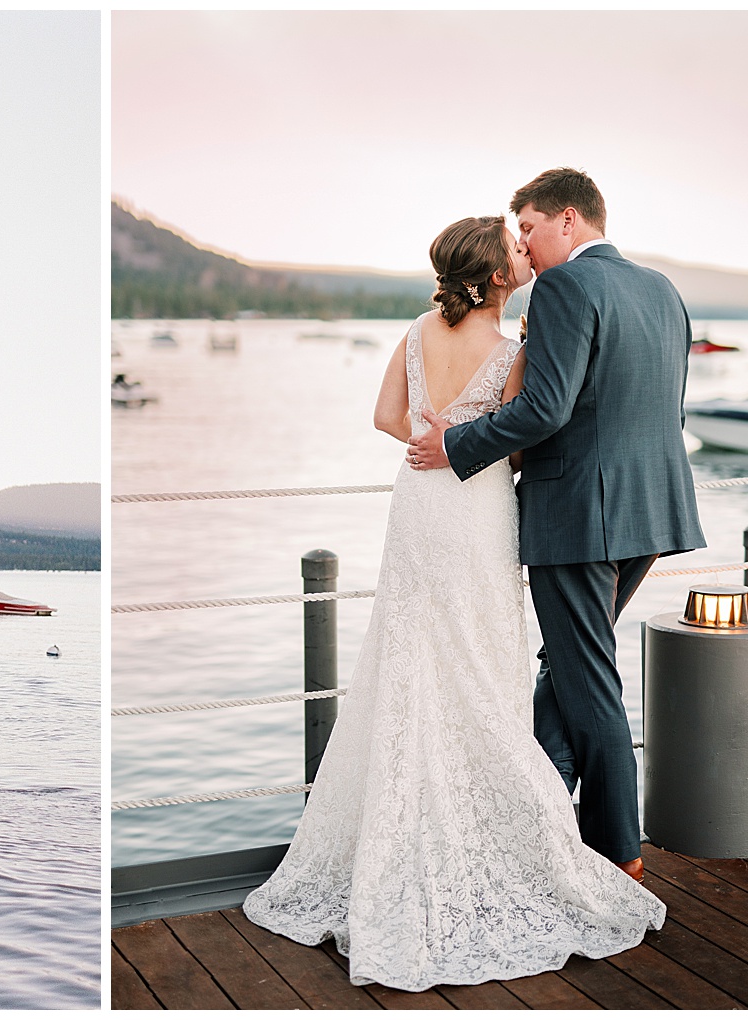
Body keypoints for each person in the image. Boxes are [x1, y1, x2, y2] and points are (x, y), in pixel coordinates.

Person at [241, 210, 666, 992]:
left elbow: (386, 420)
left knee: (410, 662)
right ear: (501, 276)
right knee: (480, 661)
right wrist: (474, 435)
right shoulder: (512, 351)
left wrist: (434, 434)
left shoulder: (413, 331)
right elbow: (527, 433)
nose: (523, 252)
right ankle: (502, 832)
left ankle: (396, 837)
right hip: (476, 509)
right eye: (514, 249)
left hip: (419, 501)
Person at [408, 168, 705, 881]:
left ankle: (616, 851)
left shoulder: (566, 288)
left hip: (580, 516)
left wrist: (455, 445)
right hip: (652, 513)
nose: (526, 249)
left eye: (531, 229)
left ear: (567, 221)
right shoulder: (661, 288)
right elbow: (669, 408)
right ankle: (530, 814)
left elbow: (546, 408)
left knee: (588, 678)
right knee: (567, 669)